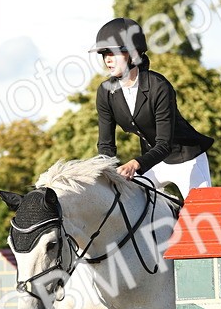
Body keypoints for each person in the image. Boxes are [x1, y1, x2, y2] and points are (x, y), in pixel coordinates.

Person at [90, 17, 214, 192]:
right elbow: (106, 146)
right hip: (152, 163)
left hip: (187, 159)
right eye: (104, 54)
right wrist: (107, 175)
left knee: (200, 217)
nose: (107, 59)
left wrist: (135, 164)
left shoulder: (159, 87)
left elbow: (164, 144)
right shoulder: (105, 92)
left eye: (113, 53)